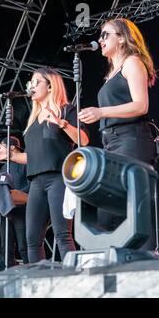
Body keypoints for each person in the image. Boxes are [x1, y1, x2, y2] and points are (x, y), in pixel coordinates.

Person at [0, 67, 89, 263]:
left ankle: (75, 280)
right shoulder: (33, 121)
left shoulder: (66, 110)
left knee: (62, 235)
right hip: (36, 182)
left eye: (36, 82)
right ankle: (38, 283)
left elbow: (83, 140)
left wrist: (62, 124)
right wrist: (11, 156)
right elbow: (34, 157)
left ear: (50, 86)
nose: (31, 87)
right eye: (30, 83)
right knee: (32, 239)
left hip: (58, 178)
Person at [77, 18, 157, 246]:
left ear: (121, 38)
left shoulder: (132, 63)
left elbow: (141, 105)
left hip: (131, 138)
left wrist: (101, 112)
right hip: (111, 142)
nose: (100, 40)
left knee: (134, 206)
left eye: (105, 35)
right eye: (100, 36)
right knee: (109, 210)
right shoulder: (111, 73)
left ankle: (146, 265)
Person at [0, 136, 29, 266]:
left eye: (3, 147)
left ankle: (31, 271)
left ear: (12, 147)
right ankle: (8, 272)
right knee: (6, 246)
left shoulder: (26, 162)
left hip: (23, 209)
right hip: (7, 210)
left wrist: (17, 194)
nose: (0, 151)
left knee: (23, 246)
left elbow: (34, 184)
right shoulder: (4, 168)